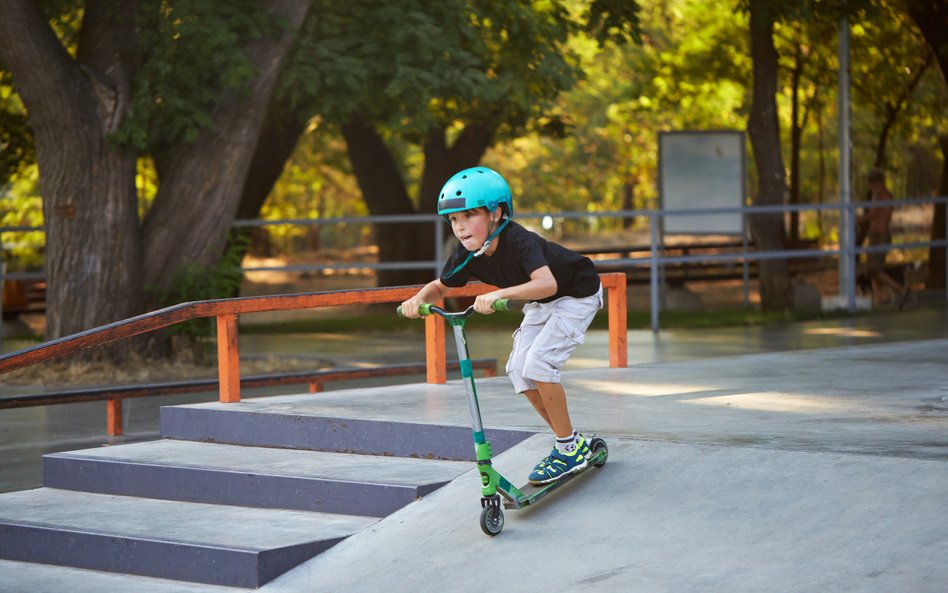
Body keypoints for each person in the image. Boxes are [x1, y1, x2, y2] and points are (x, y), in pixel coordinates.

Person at [399, 166, 602, 485]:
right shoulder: (469, 253)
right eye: (453, 220)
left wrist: (500, 294)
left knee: (539, 363)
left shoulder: (520, 241)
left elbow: (546, 283)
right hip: (542, 300)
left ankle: (566, 448)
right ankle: (571, 443)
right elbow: (441, 286)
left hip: (576, 292)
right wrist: (418, 299)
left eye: (469, 216)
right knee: (519, 369)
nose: (460, 227)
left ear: (497, 213)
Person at [857, 169, 908, 308]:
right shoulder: (876, 194)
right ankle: (878, 301)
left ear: (879, 182)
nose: (871, 185)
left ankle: (899, 289)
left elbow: (873, 215)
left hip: (881, 236)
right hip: (874, 236)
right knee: (872, 270)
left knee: (873, 269)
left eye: (873, 182)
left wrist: (857, 219)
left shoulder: (884, 196)